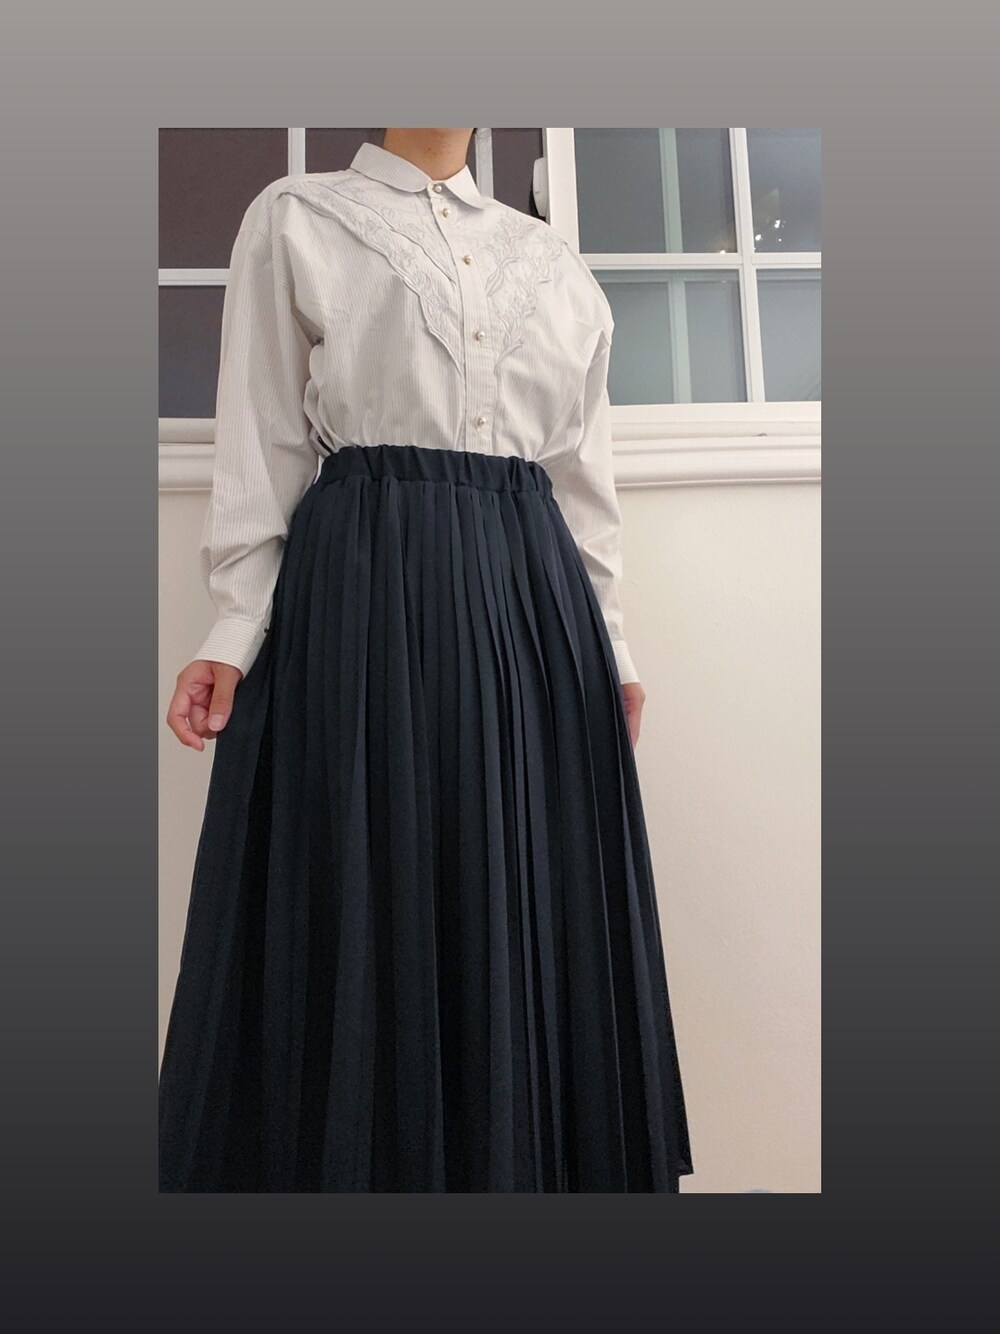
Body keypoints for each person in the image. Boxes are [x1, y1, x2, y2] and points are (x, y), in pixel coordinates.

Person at [159, 127, 693, 1192]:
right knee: (367, 870)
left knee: (522, 884)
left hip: (533, 600)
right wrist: (233, 628)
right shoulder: (298, 218)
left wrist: (613, 645)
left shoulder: (553, 261)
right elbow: (261, 441)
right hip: (361, 587)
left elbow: (581, 484)